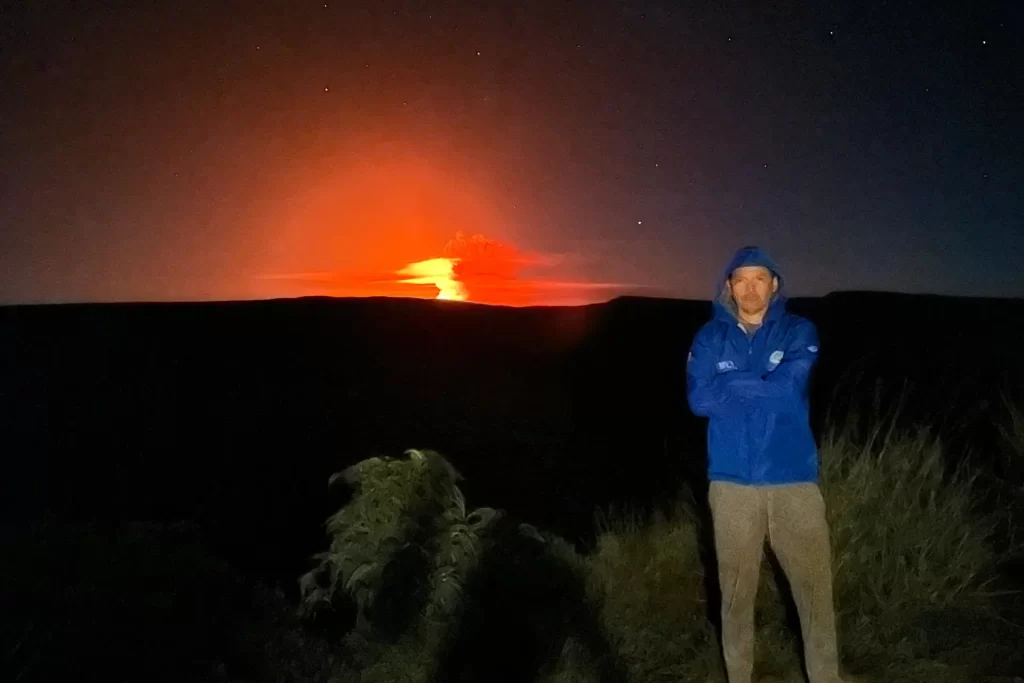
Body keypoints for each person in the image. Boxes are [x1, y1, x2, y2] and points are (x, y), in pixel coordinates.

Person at [686, 245, 846, 683]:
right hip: (731, 485)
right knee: (735, 597)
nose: (750, 288)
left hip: (794, 481)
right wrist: (755, 383)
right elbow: (699, 401)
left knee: (814, 594)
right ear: (729, 287)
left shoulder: (799, 330)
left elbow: (784, 390)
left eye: (760, 278)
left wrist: (731, 382)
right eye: (741, 279)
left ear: (775, 284)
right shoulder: (708, 338)